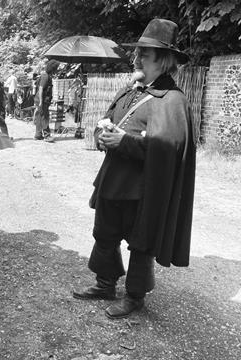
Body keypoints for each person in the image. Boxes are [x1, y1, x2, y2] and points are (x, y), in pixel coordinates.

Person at [72, 18, 196, 319]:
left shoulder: (172, 101)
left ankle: (134, 296)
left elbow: (166, 149)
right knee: (104, 233)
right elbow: (109, 120)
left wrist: (125, 142)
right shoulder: (132, 91)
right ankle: (105, 283)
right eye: (137, 52)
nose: (136, 58)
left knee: (141, 244)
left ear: (163, 61)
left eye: (145, 54)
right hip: (112, 181)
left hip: (141, 190)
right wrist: (102, 135)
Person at [33, 59, 58, 142]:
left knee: (40, 117)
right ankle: (47, 136)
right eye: (56, 68)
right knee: (45, 117)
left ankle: (38, 135)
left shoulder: (46, 75)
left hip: (42, 100)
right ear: (53, 68)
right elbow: (40, 88)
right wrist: (40, 101)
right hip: (42, 100)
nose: (57, 70)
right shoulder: (45, 76)